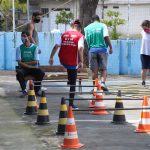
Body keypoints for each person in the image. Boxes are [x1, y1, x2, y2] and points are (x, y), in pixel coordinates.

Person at [49, 19, 84, 109]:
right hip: (72, 62)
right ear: (79, 28)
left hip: (63, 60)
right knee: (73, 84)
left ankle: (68, 76)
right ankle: (71, 104)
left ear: (72, 26)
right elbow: (80, 48)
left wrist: (51, 57)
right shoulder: (80, 36)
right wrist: (81, 61)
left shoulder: (64, 34)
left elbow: (56, 46)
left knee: (69, 66)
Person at [84, 14, 112, 91]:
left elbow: (86, 40)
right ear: (99, 20)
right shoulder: (103, 25)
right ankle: (102, 83)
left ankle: (95, 87)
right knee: (103, 69)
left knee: (94, 70)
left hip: (92, 50)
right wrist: (111, 47)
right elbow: (106, 36)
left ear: (92, 21)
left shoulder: (87, 28)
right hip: (102, 50)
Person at [16, 31, 45, 97]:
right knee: (19, 73)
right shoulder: (19, 48)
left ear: (29, 37)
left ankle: (36, 91)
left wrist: (25, 63)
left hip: (33, 68)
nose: (23, 38)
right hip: (24, 69)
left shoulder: (35, 47)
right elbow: (19, 62)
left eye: (24, 36)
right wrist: (28, 65)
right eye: (22, 36)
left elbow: (35, 62)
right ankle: (24, 90)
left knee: (41, 73)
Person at [140, 20, 150, 86]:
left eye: (145, 27)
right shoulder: (142, 32)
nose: (144, 29)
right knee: (144, 69)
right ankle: (143, 81)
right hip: (143, 53)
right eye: (143, 27)